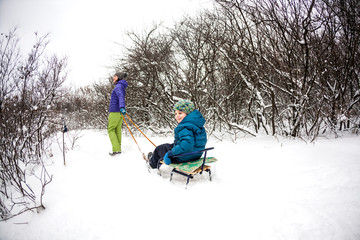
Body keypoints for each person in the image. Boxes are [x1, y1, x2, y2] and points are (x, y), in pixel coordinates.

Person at [147, 99, 207, 168]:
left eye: (180, 113)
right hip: (195, 155)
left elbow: (187, 144)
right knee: (170, 146)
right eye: (175, 113)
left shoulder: (185, 126)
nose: (177, 116)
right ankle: (154, 157)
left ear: (188, 114)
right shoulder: (197, 125)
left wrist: (171, 153)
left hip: (182, 157)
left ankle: (152, 164)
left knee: (159, 149)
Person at [108, 72, 128, 156]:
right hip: (119, 111)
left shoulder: (118, 86)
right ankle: (118, 149)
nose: (113, 77)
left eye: (115, 76)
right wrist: (122, 108)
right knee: (117, 129)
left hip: (115, 111)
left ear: (118, 77)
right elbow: (121, 97)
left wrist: (122, 107)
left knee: (111, 129)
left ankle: (116, 149)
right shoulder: (121, 86)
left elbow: (120, 97)